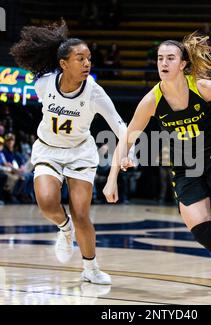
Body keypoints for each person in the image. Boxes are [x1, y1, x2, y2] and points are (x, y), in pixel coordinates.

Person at [103, 32, 211, 297]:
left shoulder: (202, 86)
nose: (164, 63)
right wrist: (111, 177)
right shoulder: (151, 100)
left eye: (170, 58)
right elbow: (127, 137)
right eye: (160, 58)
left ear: (183, 63)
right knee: (201, 230)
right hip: (186, 166)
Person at [10, 20, 133, 285]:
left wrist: (126, 154)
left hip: (80, 153)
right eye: (80, 58)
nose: (87, 63)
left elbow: (120, 126)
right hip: (48, 150)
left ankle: (91, 269)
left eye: (89, 58)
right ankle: (64, 230)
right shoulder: (43, 84)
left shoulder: (95, 92)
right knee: (46, 202)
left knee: (81, 213)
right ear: (64, 63)